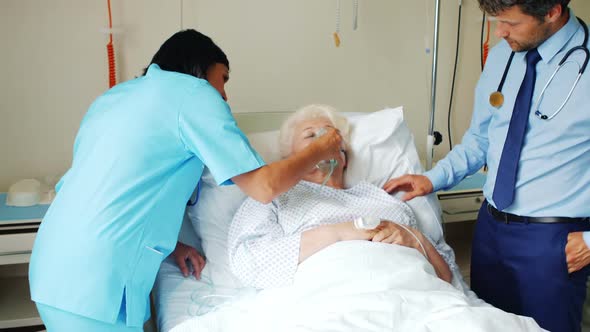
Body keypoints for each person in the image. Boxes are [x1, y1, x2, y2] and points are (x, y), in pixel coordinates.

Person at [28, 30, 342, 331]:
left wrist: (168, 245)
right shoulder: (195, 94)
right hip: (95, 282)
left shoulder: (113, 98)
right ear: (200, 70)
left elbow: (109, 195)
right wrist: (320, 149)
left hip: (51, 266)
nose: (224, 95)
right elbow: (264, 187)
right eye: (223, 78)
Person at [383, 1, 590, 331]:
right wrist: (431, 179)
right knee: (486, 323)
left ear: (552, 11)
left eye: (510, 22)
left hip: (553, 237)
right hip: (491, 228)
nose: (500, 31)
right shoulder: (503, 55)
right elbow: (480, 138)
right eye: (496, 21)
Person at [228, 104, 455, 290]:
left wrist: (415, 239)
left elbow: (446, 277)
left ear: (344, 157)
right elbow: (248, 261)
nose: (322, 141)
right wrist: (340, 232)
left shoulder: (384, 200)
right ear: (290, 157)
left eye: (330, 135)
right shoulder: (275, 199)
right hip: (328, 300)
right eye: (310, 136)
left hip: (413, 295)